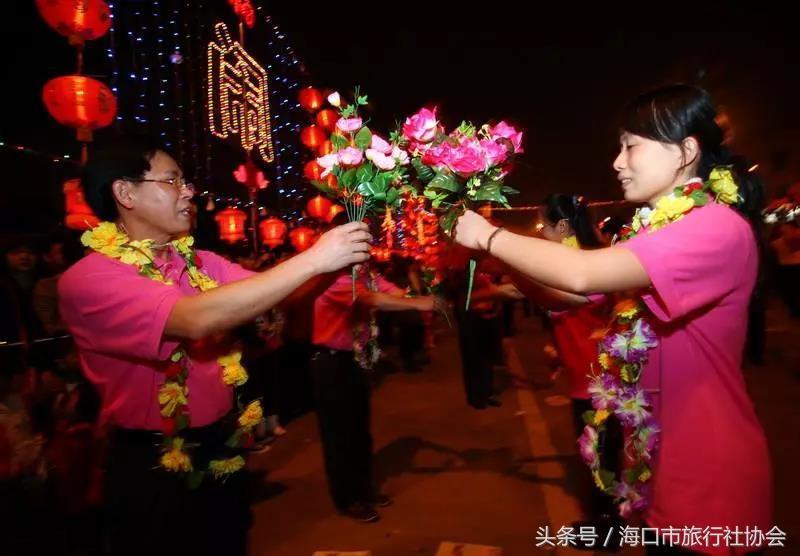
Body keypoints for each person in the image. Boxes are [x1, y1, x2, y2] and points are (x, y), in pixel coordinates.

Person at [453, 85, 771, 556]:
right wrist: (492, 257)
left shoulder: (715, 227)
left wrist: (490, 234)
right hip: (662, 465)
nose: (617, 163)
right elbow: (568, 294)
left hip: (710, 476)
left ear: (686, 151)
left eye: (630, 146)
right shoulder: (654, 228)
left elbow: (582, 273)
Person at [58, 138, 370, 556]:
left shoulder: (201, 262)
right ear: (126, 193)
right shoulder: (90, 279)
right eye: (173, 180)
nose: (189, 191)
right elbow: (193, 318)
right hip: (152, 459)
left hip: (221, 442)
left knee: (229, 539)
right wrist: (315, 259)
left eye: (185, 181)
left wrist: (338, 259)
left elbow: (277, 293)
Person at [310, 233, 439, 523]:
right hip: (331, 363)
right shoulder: (330, 277)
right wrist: (419, 305)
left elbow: (389, 290)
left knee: (359, 431)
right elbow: (370, 298)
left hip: (355, 359)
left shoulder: (363, 273)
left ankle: (364, 489)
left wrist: (418, 297)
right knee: (340, 436)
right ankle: (348, 498)